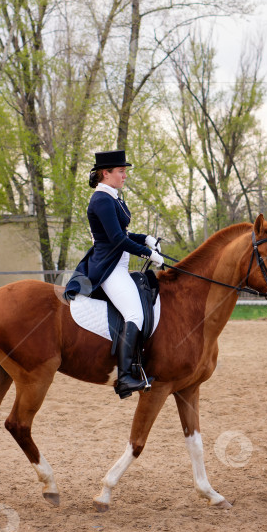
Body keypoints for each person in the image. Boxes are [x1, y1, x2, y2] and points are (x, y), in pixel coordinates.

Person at [64, 150, 164, 399]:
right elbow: (117, 239)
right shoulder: (101, 200)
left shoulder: (113, 197)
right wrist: (147, 253)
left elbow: (123, 233)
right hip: (109, 268)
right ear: (105, 173)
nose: (125, 176)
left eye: (124, 171)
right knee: (134, 313)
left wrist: (146, 239)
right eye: (121, 171)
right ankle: (125, 377)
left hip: (118, 264)